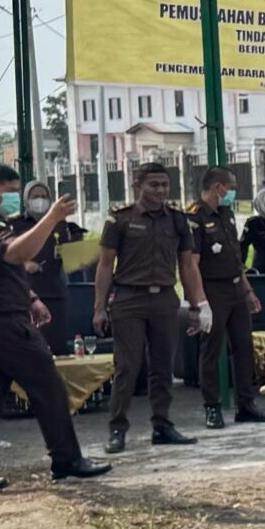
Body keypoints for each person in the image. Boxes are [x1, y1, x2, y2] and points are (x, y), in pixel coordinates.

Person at [0, 164, 109, 494]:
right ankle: (67, 459)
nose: (11, 198)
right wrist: (51, 217)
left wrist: (31, 296)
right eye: (7, 191)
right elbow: (15, 253)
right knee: (48, 385)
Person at [95, 161, 208, 452]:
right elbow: (105, 265)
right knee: (128, 366)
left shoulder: (178, 220)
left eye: (164, 185)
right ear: (137, 186)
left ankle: (162, 425)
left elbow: (187, 265)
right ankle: (117, 429)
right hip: (129, 299)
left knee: (163, 366)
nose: (160, 190)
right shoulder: (118, 220)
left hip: (165, 300)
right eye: (153, 185)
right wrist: (99, 308)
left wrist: (197, 305)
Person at [186, 166, 265, 430]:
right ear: (218, 187)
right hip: (212, 290)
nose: (234, 192)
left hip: (235, 288)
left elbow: (235, 259)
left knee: (243, 347)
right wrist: (199, 302)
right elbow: (191, 264)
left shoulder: (227, 214)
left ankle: (246, 404)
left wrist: (248, 291)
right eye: (232, 186)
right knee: (212, 350)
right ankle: (212, 408)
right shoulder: (195, 217)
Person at [8, 181, 86, 351]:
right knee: (27, 347)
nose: (40, 200)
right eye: (35, 197)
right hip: (24, 295)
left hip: (55, 293)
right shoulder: (15, 225)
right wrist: (23, 263)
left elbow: (74, 260)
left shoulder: (61, 225)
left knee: (56, 345)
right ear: (26, 199)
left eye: (44, 197)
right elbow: (5, 256)